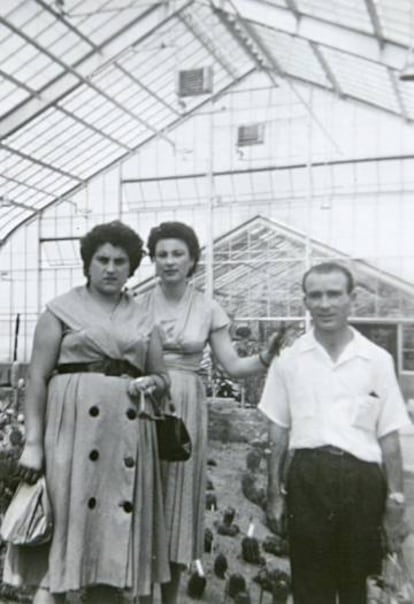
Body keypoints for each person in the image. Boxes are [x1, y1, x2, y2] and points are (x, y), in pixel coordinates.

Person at [3, 221, 171, 604]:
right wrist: (33, 443)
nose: (111, 268)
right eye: (102, 260)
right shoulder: (60, 311)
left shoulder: (145, 319)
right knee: (61, 544)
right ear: (87, 264)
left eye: (120, 261)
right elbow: (37, 378)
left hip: (125, 439)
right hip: (72, 437)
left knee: (110, 550)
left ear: (131, 268)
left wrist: (154, 384)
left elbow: (162, 376)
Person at [137, 221, 282, 604]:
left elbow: (232, 366)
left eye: (177, 254)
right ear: (152, 260)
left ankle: (167, 599)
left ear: (192, 261)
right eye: (161, 254)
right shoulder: (136, 305)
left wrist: (266, 356)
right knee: (139, 495)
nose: (169, 261)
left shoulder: (206, 307)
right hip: (141, 402)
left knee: (178, 503)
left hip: (184, 403)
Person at [259, 261, 410, 604]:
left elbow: (389, 436)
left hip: (362, 483)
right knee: (311, 589)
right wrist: (274, 493)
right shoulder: (290, 360)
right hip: (308, 479)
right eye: (316, 296)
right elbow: (278, 432)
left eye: (333, 294)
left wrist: (396, 500)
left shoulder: (376, 360)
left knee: (357, 587)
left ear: (351, 299)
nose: (325, 304)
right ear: (306, 302)